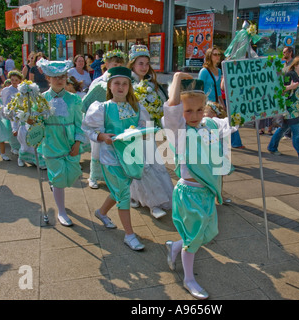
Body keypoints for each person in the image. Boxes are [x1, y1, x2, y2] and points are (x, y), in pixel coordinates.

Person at [162, 74, 235, 300]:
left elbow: (236, 119)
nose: (194, 116)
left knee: (205, 233)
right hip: (189, 194)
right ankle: (189, 279)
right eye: (188, 111)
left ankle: (175, 246)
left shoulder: (211, 125)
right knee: (194, 239)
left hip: (207, 193)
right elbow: (172, 107)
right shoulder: (179, 131)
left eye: (199, 110)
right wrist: (175, 79)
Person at [82, 66, 149, 250]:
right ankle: (129, 235)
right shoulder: (102, 108)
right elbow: (88, 128)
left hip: (130, 156)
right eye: (117, 83)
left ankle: (101, 212)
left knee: (120, 189)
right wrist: (102, 136)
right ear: (109, 86)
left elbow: (144, 127)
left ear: (129, 87)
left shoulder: (136, 107)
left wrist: (142, 133)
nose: (121, 87)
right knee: (124, 194)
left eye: (125, 84)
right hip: (110, 157)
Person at [37, 58, 87, 227]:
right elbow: (38, 123)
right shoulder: (41, 99)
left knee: (71, 174)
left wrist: (78, 143)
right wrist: (31, 123)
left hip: (70, 141)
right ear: (48, 79)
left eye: (62, 76)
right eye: (55, 76)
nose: (59, 80)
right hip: (51, 141)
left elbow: (81, 123)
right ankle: (62, 211)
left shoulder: (75, 100)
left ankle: (55, 185)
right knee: (59, 177)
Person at [127, 45, 173, 219]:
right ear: (132, 64)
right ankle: (153, 204)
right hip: (132, 131)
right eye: (140, 63)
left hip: (149, 130)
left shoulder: (151, 85)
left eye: (147, 63)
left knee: (152, 164)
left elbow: (161, 105)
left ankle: (139, 197)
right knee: (140, 166)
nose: (144, 67)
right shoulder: (127, 83)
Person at [83, 49, 127, 190]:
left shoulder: (124, 81)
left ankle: (111, 177)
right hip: (99, 121)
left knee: (113, 150)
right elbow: (89, 102)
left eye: (119, 64)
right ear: (107, 64)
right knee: (96, 150)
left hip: (115, 120)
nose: (116, 67)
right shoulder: (98, 81)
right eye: (114, 64)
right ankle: (93, 176)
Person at [267, 55, 299, 163]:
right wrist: (290, 87)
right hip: (289, 109)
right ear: (295, 65)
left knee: (282, 128)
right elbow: (279, 89)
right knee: (297, 132)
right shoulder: (289, 75)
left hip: (296, 109)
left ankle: (272, 147)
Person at [0, 70, 23, 155]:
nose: (14, 82)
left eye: (16, 80)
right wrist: (8, 110)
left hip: (20, 111)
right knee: (12, 129)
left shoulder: (22, 88)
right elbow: (5, 101)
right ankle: (14, 147)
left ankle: (21, 145)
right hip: (12, 111)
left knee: (21, 129)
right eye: (12, 80)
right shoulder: (7, 90)